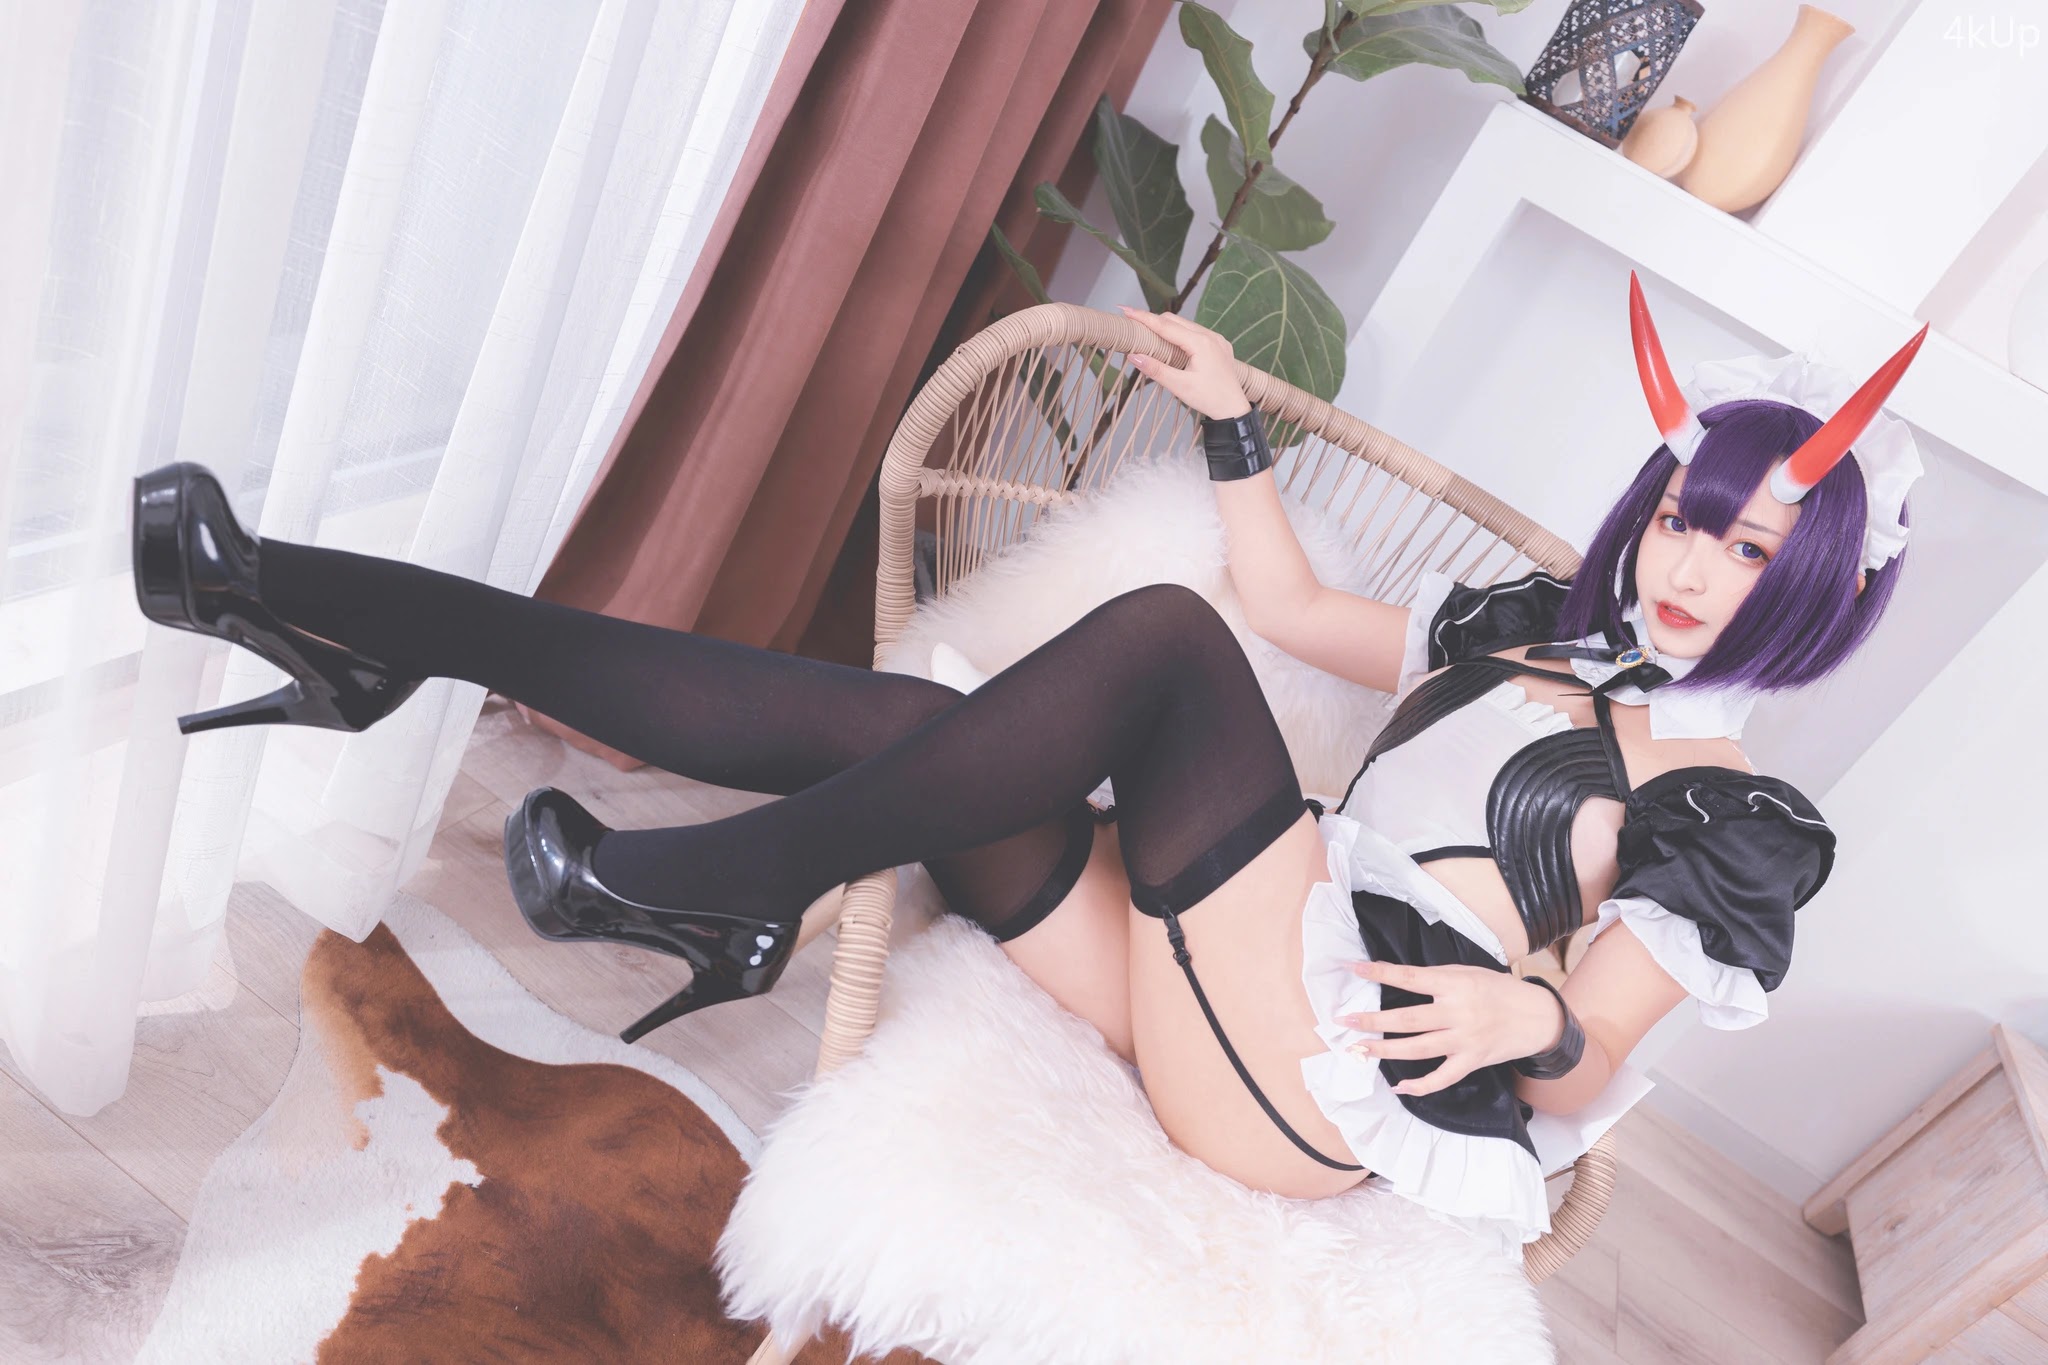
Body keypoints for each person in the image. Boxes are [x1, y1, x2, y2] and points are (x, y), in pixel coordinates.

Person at [129, 272, 1926, 1256]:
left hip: (1324, 1080)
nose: (1692, 566)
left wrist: (1530, 1017)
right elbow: (1295, 607)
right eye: (1686, 518)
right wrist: (1228, 419)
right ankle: (331, 606)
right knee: (911, 734)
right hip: (1207, 973)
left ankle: (734, 887)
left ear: (1823, 588)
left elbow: (1597, 1046)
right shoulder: (1522, 626)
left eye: (1751, 548)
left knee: (1165, 646)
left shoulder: (1739, 811)